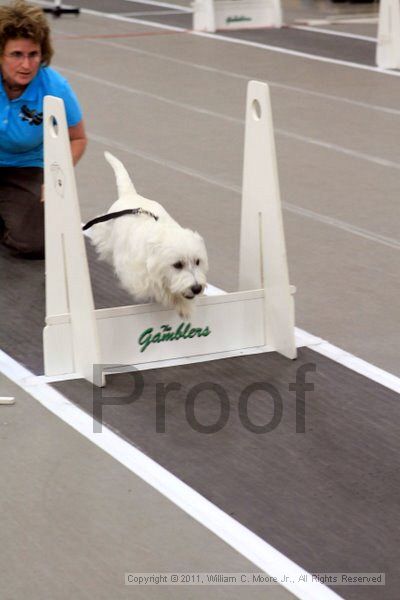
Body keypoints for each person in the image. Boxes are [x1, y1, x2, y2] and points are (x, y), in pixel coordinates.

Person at [0, 0, 87, 258]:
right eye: (16, 55)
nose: (26, 65)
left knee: (36, 243)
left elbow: (78, 138)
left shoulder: (55, 87)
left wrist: (55, 175)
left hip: (26, 168)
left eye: (33, 55)